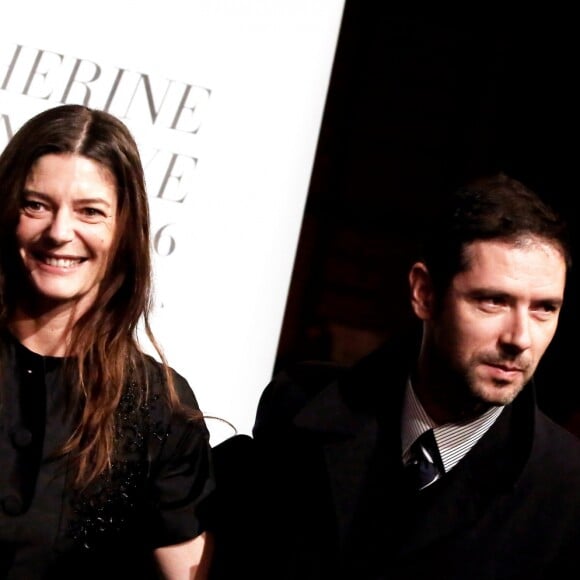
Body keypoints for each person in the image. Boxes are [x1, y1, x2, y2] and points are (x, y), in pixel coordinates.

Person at [209, 173, 580, 579]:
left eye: (545, 309)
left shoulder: (566, 486)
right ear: (424, 293)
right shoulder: (299, 405)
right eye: (492, 301)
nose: (520, 338)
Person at [0, 104, 215, 579]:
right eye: (36, 204)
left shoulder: (158, 406)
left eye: (89, 212)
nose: (59, 232)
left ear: (123, 230)